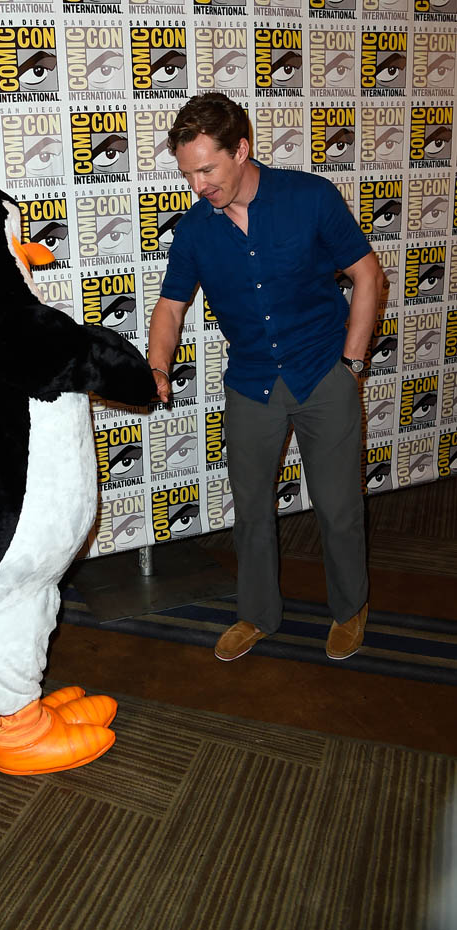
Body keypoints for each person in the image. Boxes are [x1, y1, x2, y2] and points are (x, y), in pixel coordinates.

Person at [148, 93, 384, 662]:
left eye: (207, 169)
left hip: (322, 371)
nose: (198, 185)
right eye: (188, 174)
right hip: (251, 382)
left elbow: (367, 275)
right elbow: (171, 307)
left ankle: (350, 608)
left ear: (241, 149)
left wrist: (352, 365)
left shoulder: (309, 197)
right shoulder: (196, 230)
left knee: (338, 507)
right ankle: (257, 615)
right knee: (251, 511)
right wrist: (157, 365)